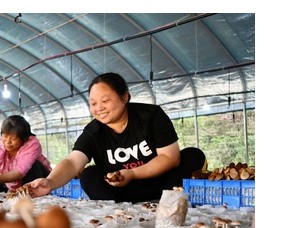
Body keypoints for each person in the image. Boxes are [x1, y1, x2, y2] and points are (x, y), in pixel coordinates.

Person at [27, 72, 206, 203]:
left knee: (192, 155)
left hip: (164, 182)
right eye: (93, 103)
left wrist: (133, 173)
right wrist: (50, 182)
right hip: (124, 190)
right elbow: (74, 162)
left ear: (124, 97)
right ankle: (123, 204)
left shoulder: (150, 115)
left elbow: (170, 158)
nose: (99, 108)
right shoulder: (93, 131)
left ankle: (168, 199)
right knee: (89, 175)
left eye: (105, 101)